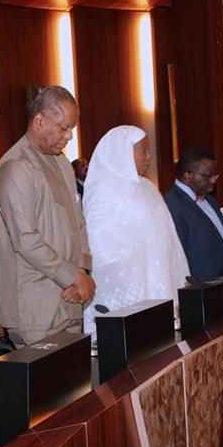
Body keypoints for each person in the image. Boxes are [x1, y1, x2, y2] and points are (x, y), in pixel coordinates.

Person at [0, 86, 94, 345]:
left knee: (76, 383)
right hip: (35, 307)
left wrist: (81, 271)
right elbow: (26, 240)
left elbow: (78, 221)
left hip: (70, 297)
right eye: (63, 128)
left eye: (72, 128)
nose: (70, 136)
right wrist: (73, 277)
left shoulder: (61, 162)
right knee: (46, 384)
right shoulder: (16, 167)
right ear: (39, 121)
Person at [82, 126, 190, 336]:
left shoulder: (147, 186)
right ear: (121, 150)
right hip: (126, 286)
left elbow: (167, 234)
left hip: (159, 279)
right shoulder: (103, 189)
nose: (149, 156)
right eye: (143, 150)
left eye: (149, 150)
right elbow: (98, 244)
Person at [163, 149, 223, 281]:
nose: (213, 180)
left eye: (215, 176)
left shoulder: (210, 200)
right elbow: (177, 256)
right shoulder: (171, 205)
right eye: (208, 176)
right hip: (202, 289)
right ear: (188, 175)